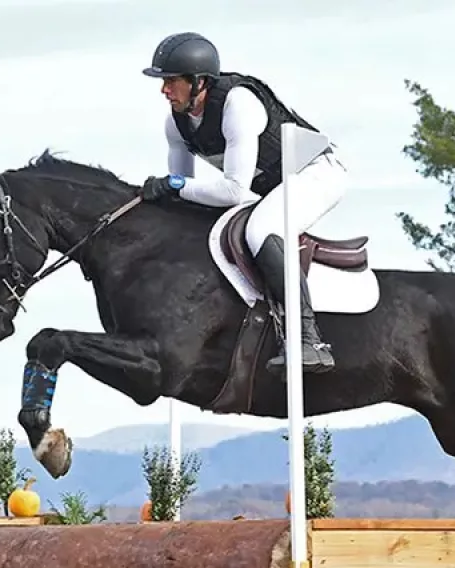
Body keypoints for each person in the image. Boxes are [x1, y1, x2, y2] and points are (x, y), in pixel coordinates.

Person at [139, 31, 347, 375]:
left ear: (198, 81)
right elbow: (183, 200)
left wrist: (173, 185)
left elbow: (232, 191)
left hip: (319, 172)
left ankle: (310, 339)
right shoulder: (175, 124)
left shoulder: (238, 105)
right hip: (273, 186)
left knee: (261, 230)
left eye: (171, 81)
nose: (164, 90)